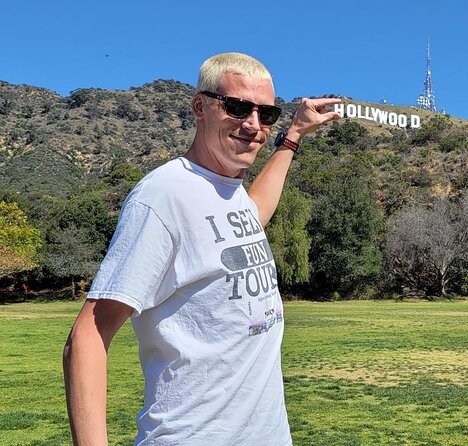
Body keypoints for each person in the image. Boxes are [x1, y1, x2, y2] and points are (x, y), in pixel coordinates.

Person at [62, 52, 341, 445]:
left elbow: (254, 214)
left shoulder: (230, 191)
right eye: (238, 107)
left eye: (266, 114)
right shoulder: (163, 196)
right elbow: (88, 335)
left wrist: (292, 136)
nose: (254, 125)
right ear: (200, 107)